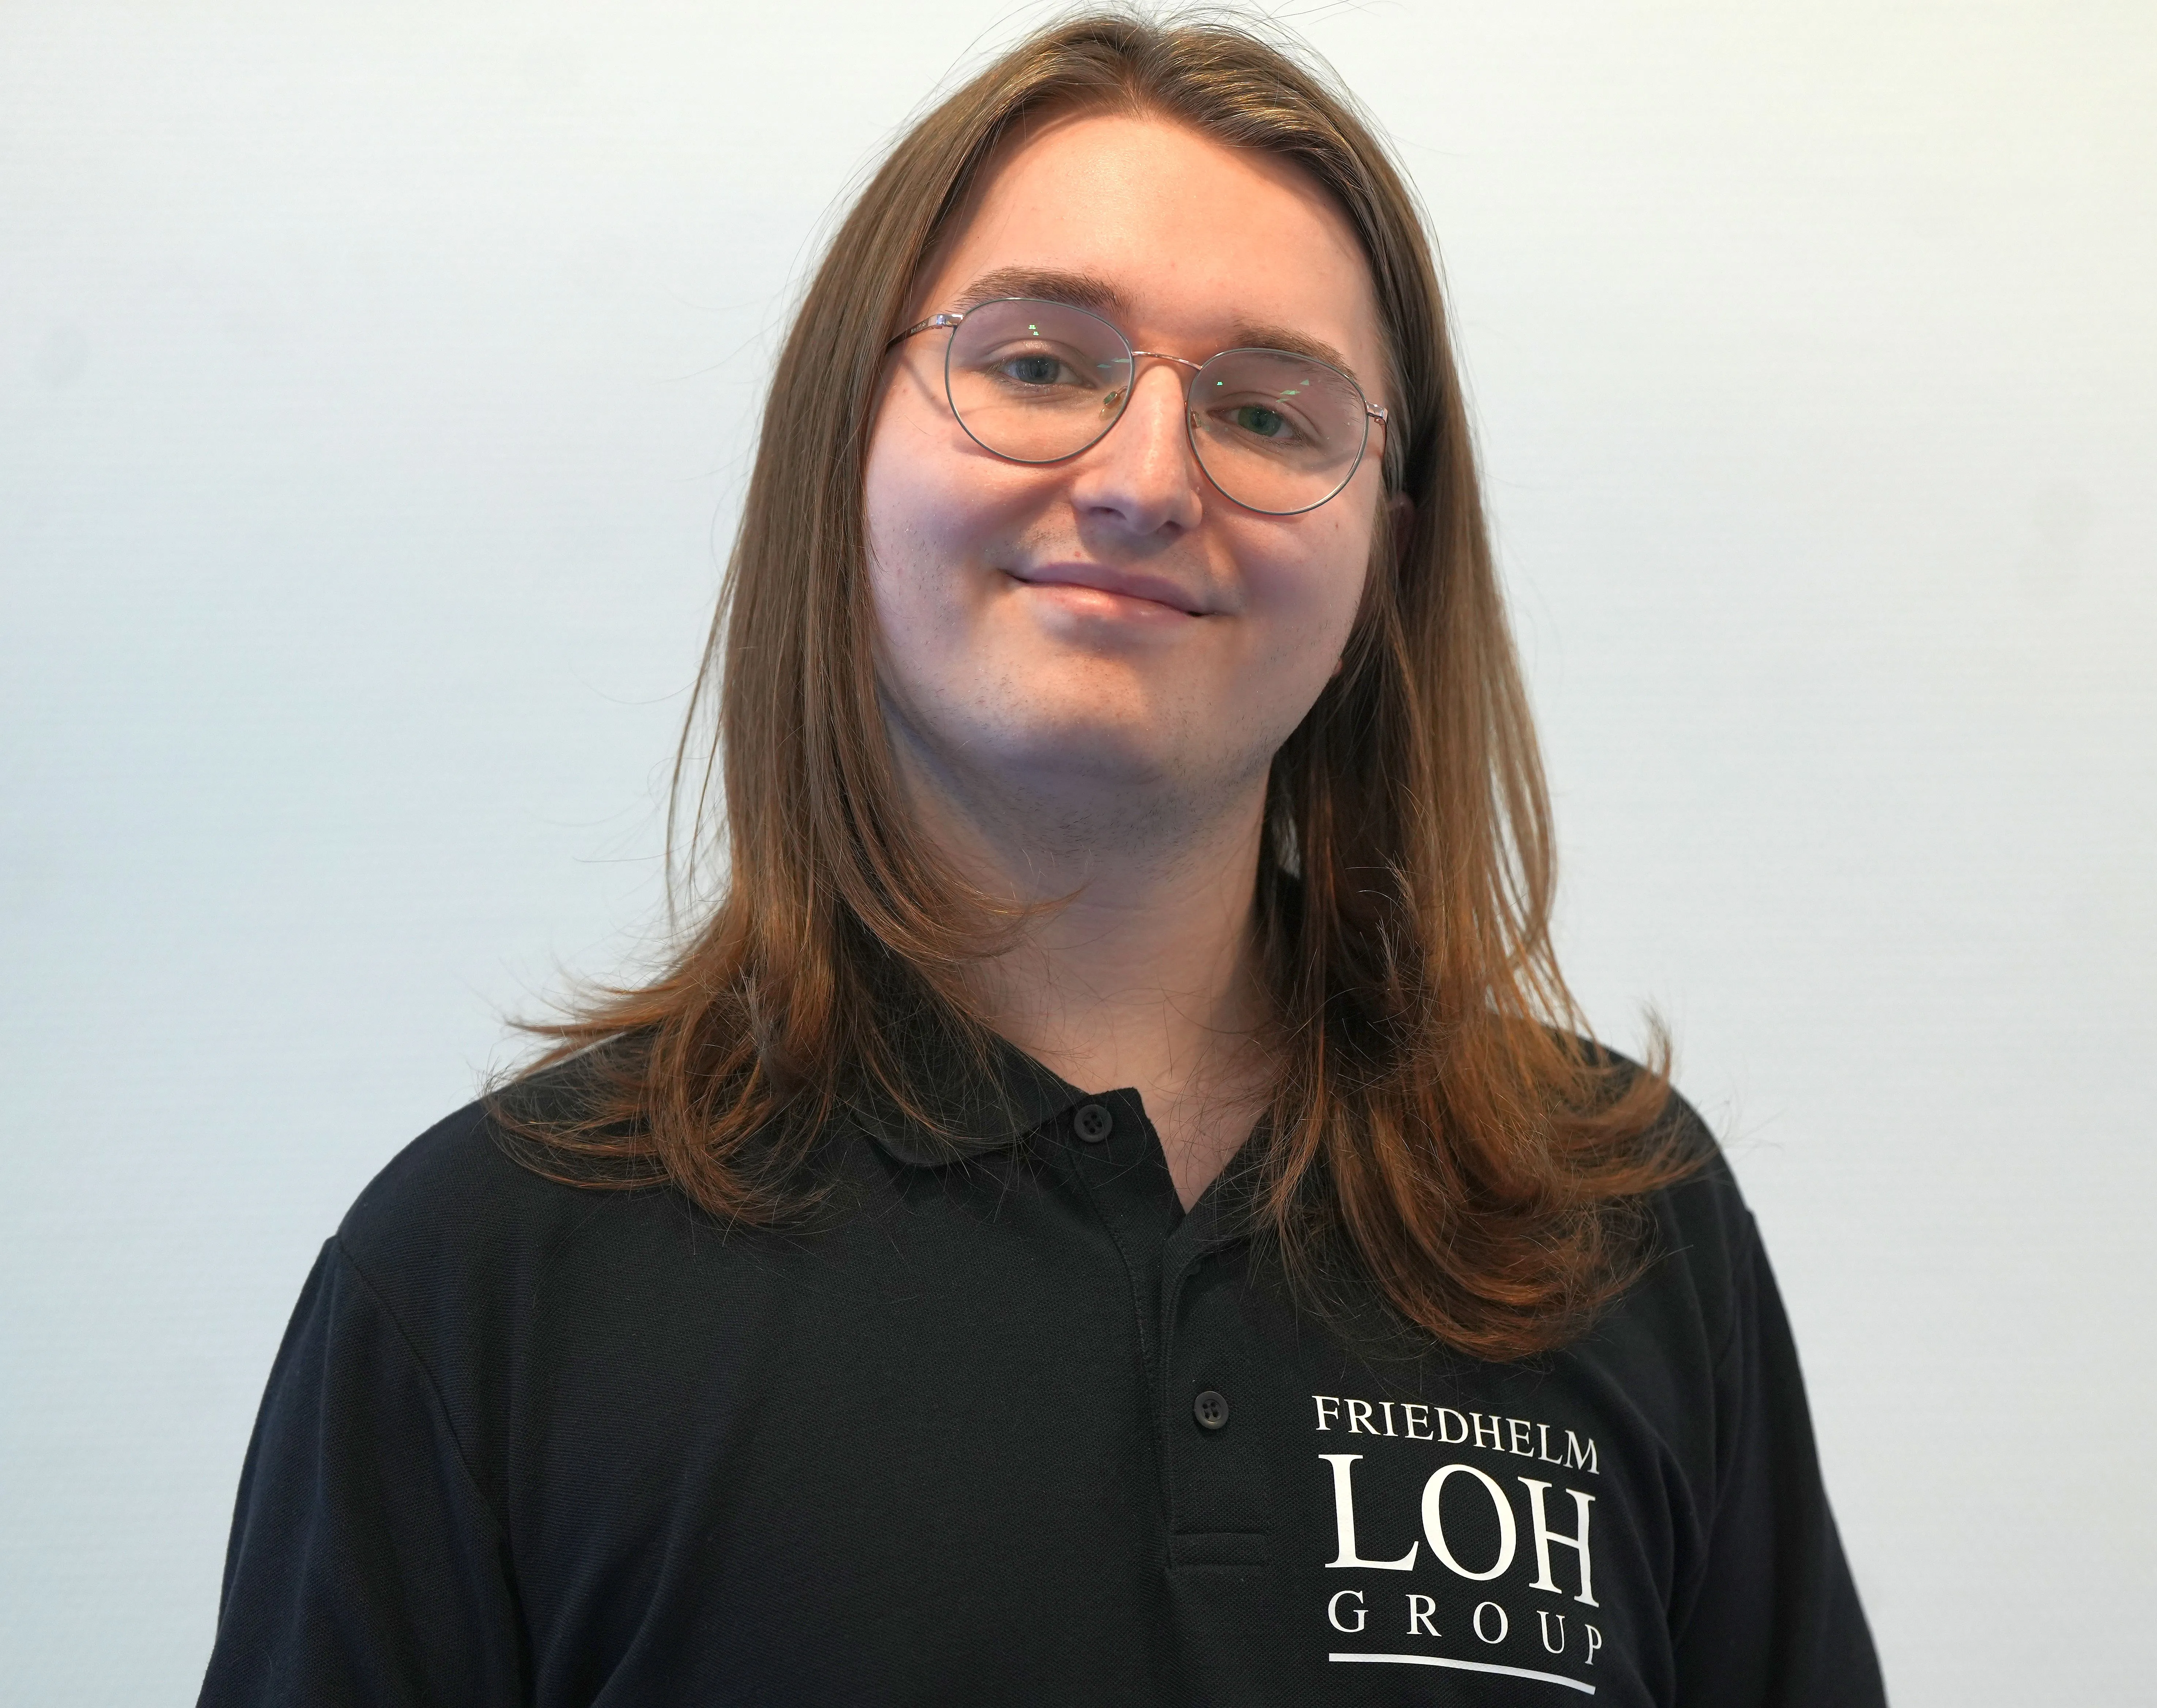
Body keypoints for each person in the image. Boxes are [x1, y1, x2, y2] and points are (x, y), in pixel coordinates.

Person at [198, 14, 1885, 1705]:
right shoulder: (488, 1284)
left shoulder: (1620, 1227)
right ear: (841, 451)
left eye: (1270, 416)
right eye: (1036, 365)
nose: (1147, 478)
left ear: (1386, 555)